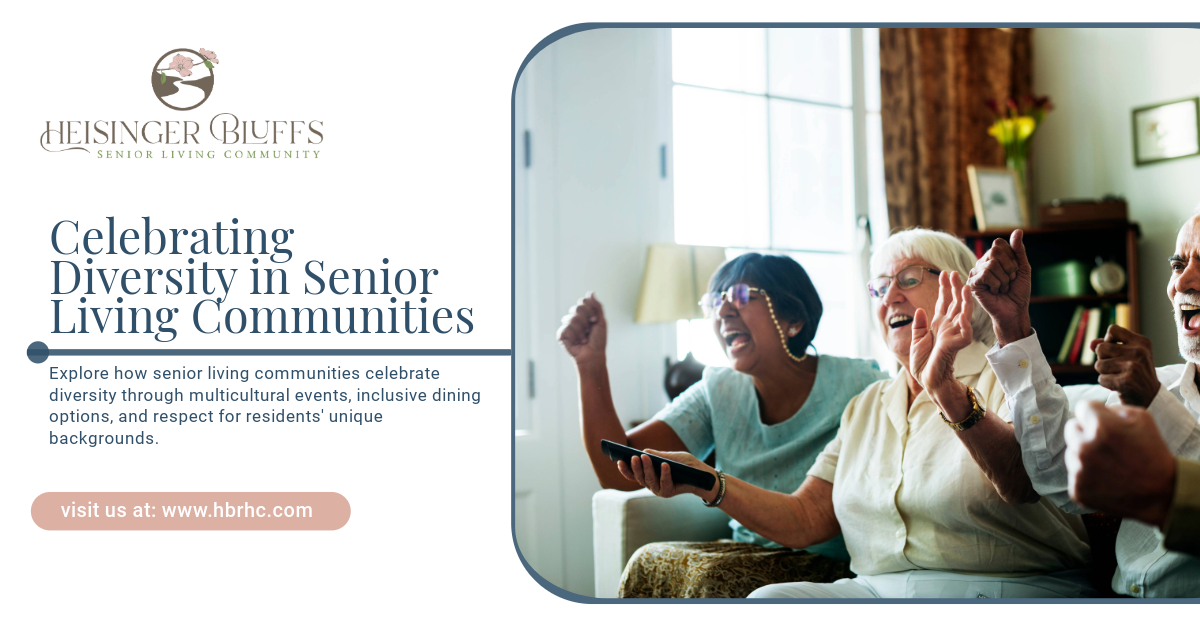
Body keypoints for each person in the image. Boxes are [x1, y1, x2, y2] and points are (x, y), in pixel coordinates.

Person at [617, 228, 1093, 599]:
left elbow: (1020, 480)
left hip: (1007, 589)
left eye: (909, 279)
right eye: (880, 288)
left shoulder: (1011, 376)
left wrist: (943, 386)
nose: (890, 298)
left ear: (962, 292)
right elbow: (806, 517)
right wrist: (709, 481)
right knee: (768, 602)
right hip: (875, 592)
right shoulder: (865, 406)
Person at [556, 253, 889, 597]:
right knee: (648, 559)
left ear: (794, 319)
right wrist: (591, 365)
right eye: (716, 301)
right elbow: (615, 474)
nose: (723, 311)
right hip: (750, 554)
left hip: (829, 565)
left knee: (711, 575)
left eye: (743, 296)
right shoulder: (719, 389)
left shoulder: (860, 384)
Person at [969, 222, 1200, 596]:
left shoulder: (1149, 391)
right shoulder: (1155, 384)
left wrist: (1154, 404)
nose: (1183, 282)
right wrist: (1012, 326)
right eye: (1177, 266)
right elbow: (1061, 478)